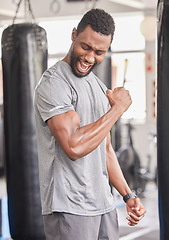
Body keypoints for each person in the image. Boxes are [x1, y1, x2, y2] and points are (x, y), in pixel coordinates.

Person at [34, 8, 146, 240]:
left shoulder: (96, 85)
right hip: (70, 208)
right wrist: (117, 109)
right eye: (85, 47)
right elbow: (74, 146)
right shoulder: (55, 83)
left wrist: (127, 195)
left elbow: (104, 149)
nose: (89, 58)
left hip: (104, 205)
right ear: (74, 34)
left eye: (99, 52)